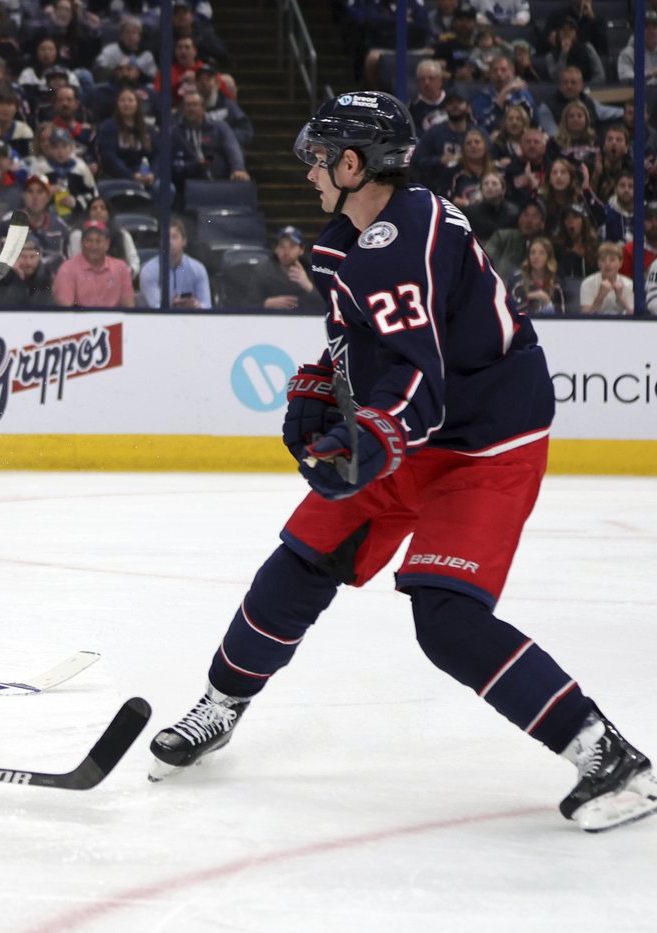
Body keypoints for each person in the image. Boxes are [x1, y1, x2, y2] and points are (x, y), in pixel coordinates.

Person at [147, 91, 657, 834]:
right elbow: (366, 342)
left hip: (487, 441)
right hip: (417, 428)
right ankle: (222, 703)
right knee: (302, 554)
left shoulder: (400, 240)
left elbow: (422, 372)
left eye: (321, 158)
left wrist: (372, 437)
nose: (310, 170)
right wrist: (325, 382)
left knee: (445, 616)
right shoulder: (348, 240)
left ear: (354, 164)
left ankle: (605, 752)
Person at [53, 220, 135, 308]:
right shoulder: (67, 269)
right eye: (89, 241)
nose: (94, 246)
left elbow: (129, 308)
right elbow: (65, 311)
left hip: (115, 320)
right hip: (79, 320)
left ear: (107, 243)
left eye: (98, 241)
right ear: (82, 243)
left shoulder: (120, 267)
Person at [239, 225, 323, 311]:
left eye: (292, 246)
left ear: (301, 250)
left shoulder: (313, 270)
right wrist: (266, 304)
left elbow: (328, 305)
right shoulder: (262, 271)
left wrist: (308, 286)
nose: (286, 252)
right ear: (276, 249)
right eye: (282, 246)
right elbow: (247, 306)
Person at [137, 216, 209, 309]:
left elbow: (207, 305)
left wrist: (196, 305)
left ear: (184, 241)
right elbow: (156, 309)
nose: (170, 242)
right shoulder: (148, 271)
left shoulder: (198, 269)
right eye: (166, 238)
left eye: (174, 237)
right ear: (160, 242)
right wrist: (175, 306)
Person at [578, 242, 633, 316]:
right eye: (603, 260)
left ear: (620, 263)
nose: (607, 264)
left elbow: (634, 317)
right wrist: (600, 297)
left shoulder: (629, 284)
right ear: (598, 263)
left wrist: (621, 298)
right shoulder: (587, 283)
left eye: (612, 260)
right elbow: (586, 317)